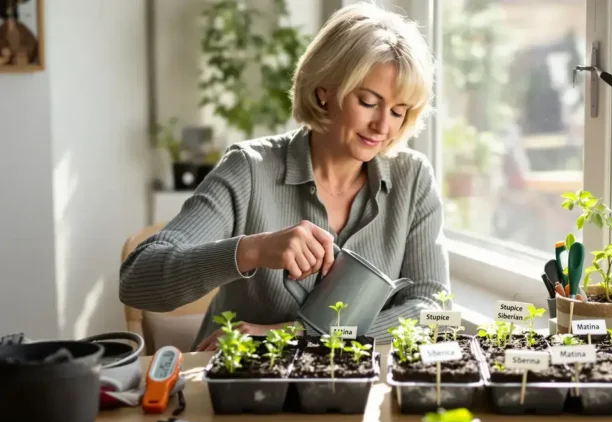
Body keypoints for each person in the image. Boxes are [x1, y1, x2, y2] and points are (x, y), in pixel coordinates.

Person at [119, 2, 450, 351]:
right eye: (368, 102)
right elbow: (138, 280)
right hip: (238, 390)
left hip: (353, 392)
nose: (383, 126)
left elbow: (434, 310)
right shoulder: (249, 168)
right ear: (325, 89)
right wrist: (252, 250)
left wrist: (296, 335)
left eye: (399, 111)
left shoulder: (413, 179)